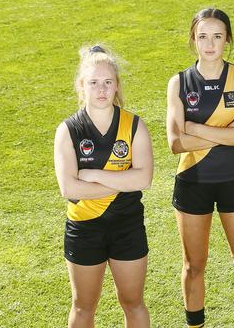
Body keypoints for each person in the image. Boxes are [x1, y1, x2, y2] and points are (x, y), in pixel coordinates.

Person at [166, 8, 234, 328]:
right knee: (194, 266)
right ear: (193, 39)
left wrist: (196, 127)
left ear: (227, 39)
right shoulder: (178, 82)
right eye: (203, 36)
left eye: (217, 36)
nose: (210, 44)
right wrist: (227, 133)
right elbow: (176, 143)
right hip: (192, 182)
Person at [53, 44, 153, 328]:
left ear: (117, 85)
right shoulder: (69, 130)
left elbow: (144, 179)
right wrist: (124, 182)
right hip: (84, 229)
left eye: (108, 82)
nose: (101, 89)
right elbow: (70, 188)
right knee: (83, 307)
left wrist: (93, 174)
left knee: (133, 303)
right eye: (94, 82)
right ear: (81, 86)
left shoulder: (134, 125)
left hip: (127, 226)